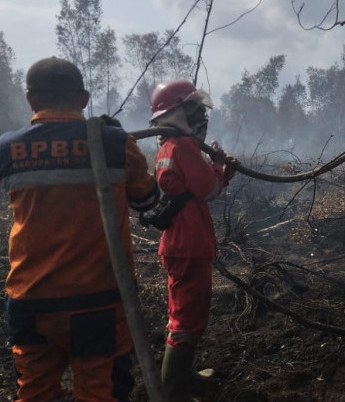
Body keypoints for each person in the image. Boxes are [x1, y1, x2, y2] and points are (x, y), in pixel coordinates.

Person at [0, 57, 159, 401]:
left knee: (36, 392)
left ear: (31, 100)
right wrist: (119, 139)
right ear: (85, 99)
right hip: (97, 300)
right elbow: (148, 201)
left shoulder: (8, 147)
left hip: (29, 299)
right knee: (100, 392)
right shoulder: (114, 143)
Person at [148, 79, 237, 401]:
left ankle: (183, 376)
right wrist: (217, 165)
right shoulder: (183, 147)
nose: (202, 115)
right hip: (189, 245)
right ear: (179, 113)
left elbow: (196, 191)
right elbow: (207, 190)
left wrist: (221, 172)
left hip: (183, 242)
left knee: (186, 313)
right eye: (195, 109)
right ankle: (174, 392)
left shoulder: (169, 145)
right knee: (187, 317)